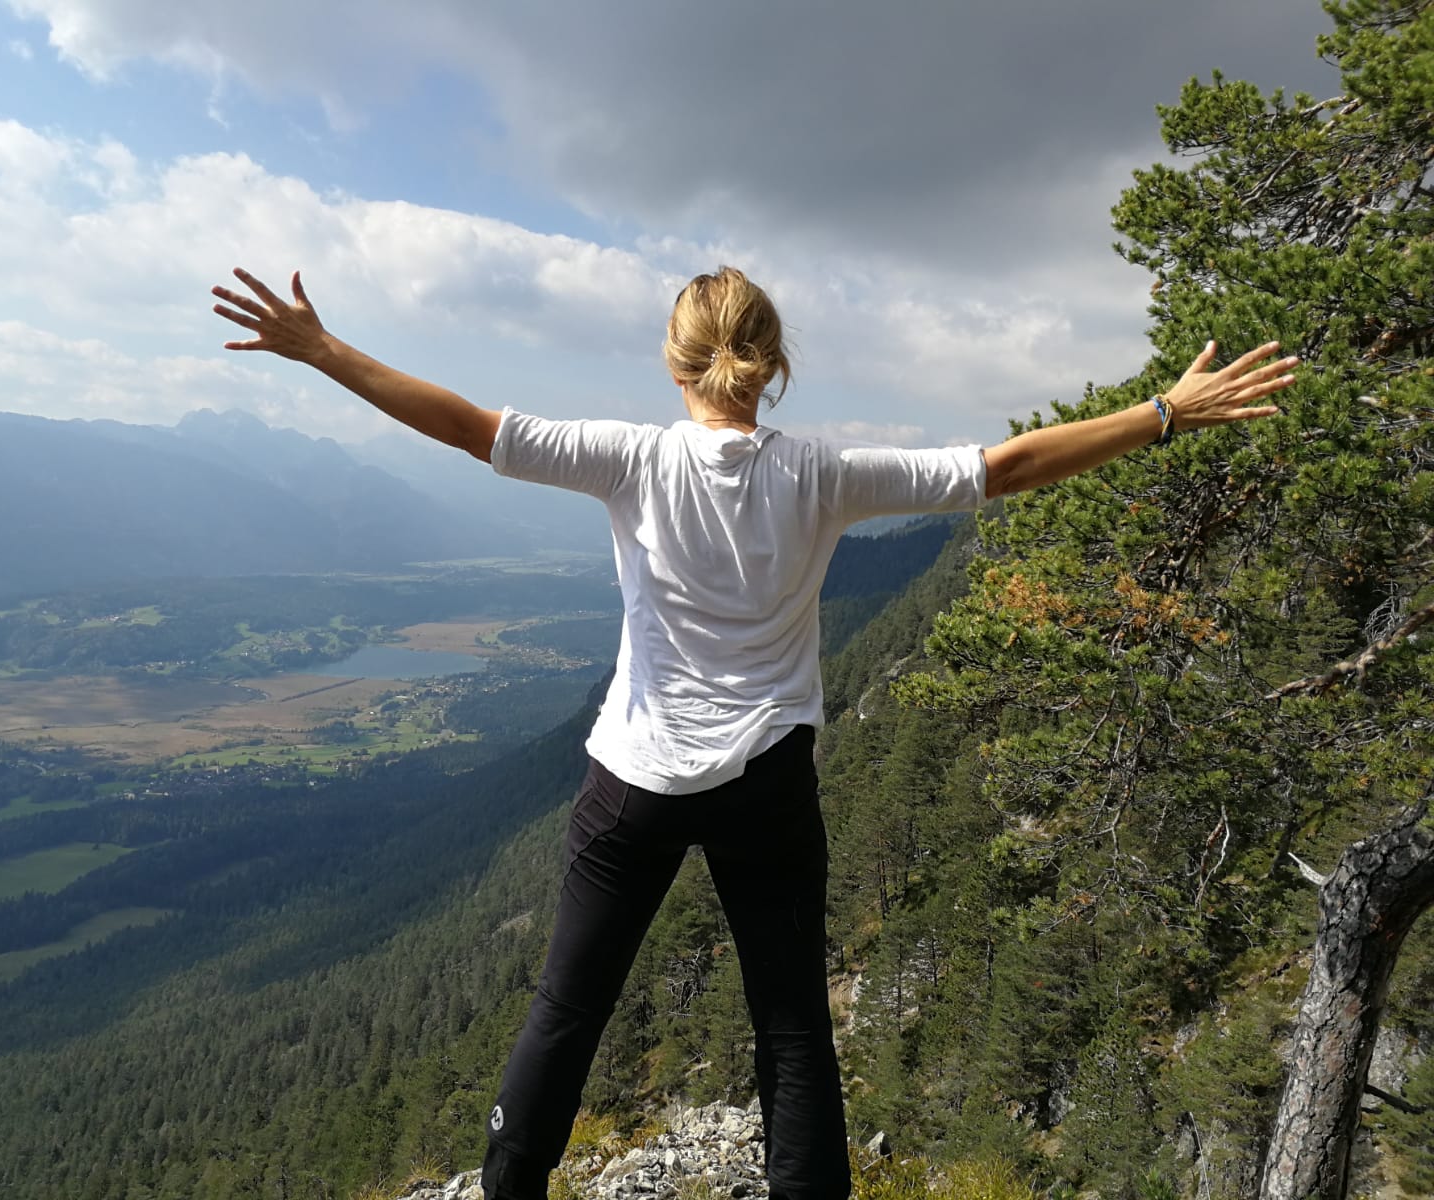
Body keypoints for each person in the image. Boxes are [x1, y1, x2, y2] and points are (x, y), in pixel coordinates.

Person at [211, 265, 1297, 1200]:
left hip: (633, 778)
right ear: (770, 364)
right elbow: (1002, 468)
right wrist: (1161, 412)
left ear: (675, 365)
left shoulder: (629, 458)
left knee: (567, 1006)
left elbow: (464, 425)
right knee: (788, 1023)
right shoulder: (822, 472)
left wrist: (321, 350)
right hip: (768, 780)